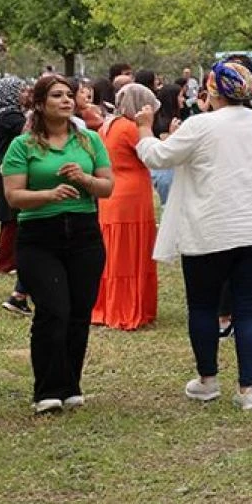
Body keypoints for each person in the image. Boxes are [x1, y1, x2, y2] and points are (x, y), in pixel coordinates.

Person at [137, 60, 252, 411]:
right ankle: (249, 390)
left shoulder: (200, 125)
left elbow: (158, 157)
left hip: (208, 230)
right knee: (249, 310)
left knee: (202, 305)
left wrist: (143, 130)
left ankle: (208, 380)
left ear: (212, 90)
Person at [0, 74, 115, 414]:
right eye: (56, 95)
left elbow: (107, 187)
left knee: (79, 312)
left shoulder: (89, 140)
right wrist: (49, 194)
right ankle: (46, 390)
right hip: (39, 236)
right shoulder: (24, 145)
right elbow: (13, 196)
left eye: (69, 95)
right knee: (54, 310)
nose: (66, 100)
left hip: (84, 233)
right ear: (39, 103)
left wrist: (84, 179)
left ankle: (70, 385)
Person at [92, 83, 160, 331]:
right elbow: (153, 154)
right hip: (132, 197)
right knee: (130, 254)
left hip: (110, 195)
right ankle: (127, 306)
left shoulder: (106, 126)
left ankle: (106, 304)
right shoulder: (131, 129)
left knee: (111, 254)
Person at [0, 77, 31, 315]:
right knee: (10, 217)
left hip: (10, 169)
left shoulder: (12, 113)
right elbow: (28, 130)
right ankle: (4, 262)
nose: (25, 94)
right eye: (22, 90)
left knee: (12, 216)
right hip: (5, 171)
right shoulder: (9, 116)